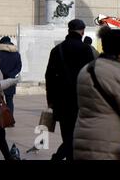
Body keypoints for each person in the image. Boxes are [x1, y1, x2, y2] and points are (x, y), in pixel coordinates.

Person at [74, 27, 120, 160]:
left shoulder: (86, 70)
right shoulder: (115, 73)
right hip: (107, 143)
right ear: (118, 52)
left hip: (84, 139)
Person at [45, 19, 94, 160]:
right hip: (81, 99)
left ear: (68, 30)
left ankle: (61, 157)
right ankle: (58, 157)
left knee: (67, 135)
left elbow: (49, 76)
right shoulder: (86, 49)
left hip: (61, 100)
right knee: (78, 136)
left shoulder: (57, 50)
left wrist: (50, 99)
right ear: (82, 31)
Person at [0, 36, 22, 115]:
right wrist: (12, 74)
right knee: (10, 101)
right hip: (11, 80)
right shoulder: (16, 53)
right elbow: (19, 66)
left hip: (0, 80)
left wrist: (2, 73)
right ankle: (10, 120)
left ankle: (0, 120)